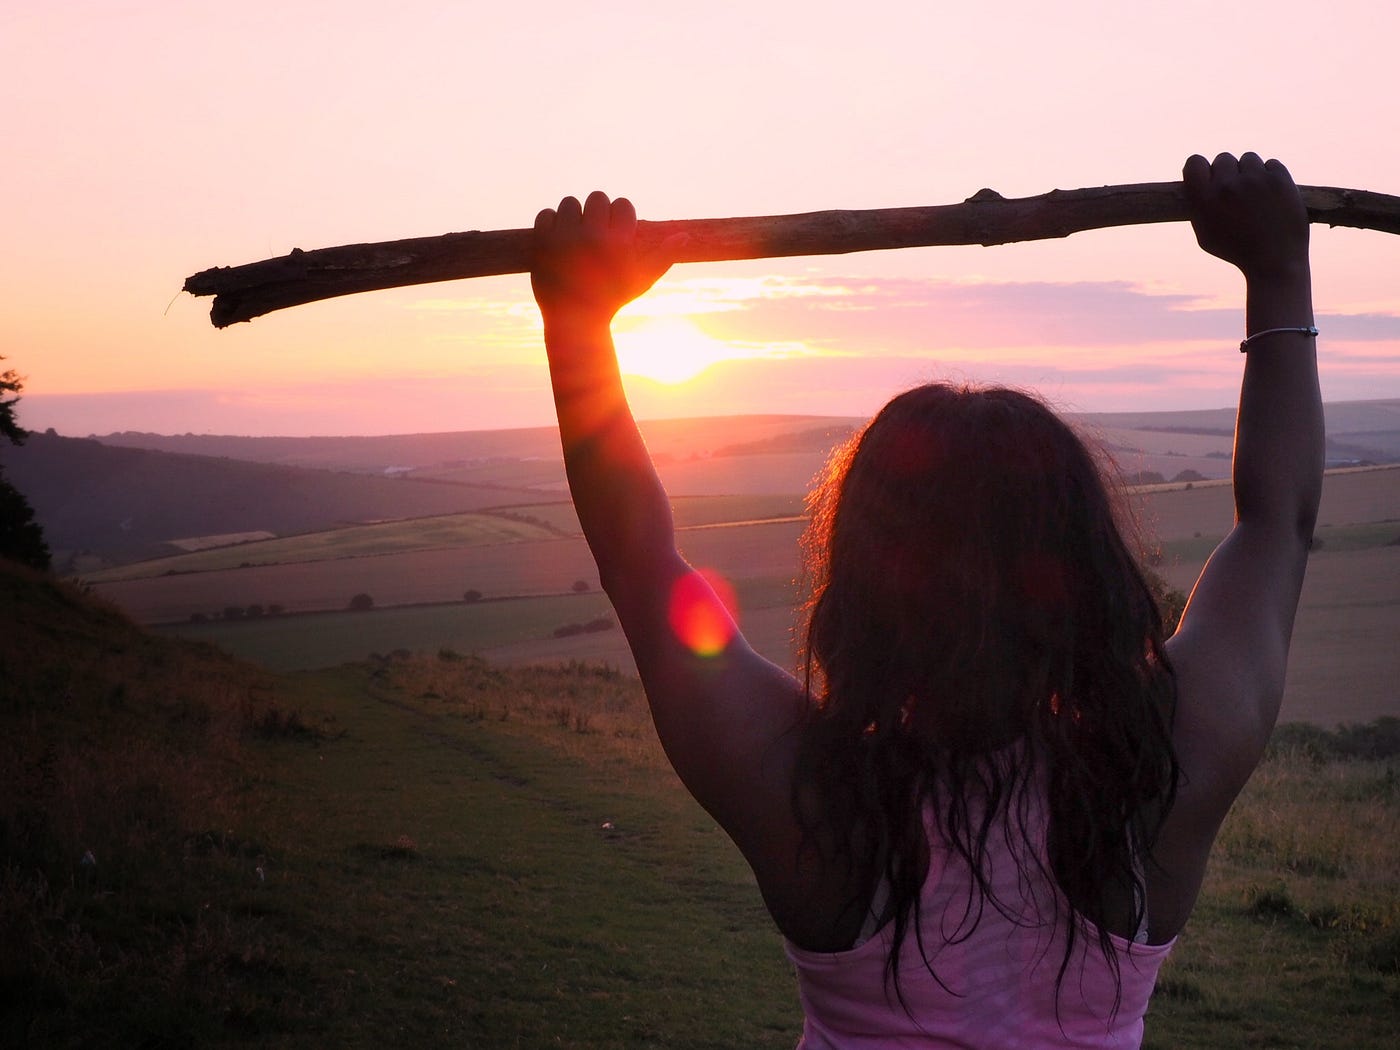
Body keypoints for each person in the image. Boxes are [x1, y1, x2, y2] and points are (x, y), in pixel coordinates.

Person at [528, 152, 1321, 1048]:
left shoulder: (804, 791)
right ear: (1085, 572)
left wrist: (578, 321)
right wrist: (1277, 272)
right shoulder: (1165, 770)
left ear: (862, 578)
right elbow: (1276, 528)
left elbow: (639, 565)